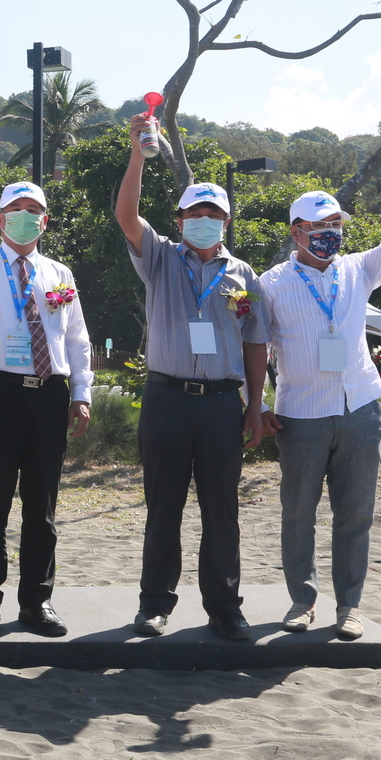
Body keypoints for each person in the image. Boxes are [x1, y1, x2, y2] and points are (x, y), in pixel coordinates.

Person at [257, 157, 381, 642]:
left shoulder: (358, 269)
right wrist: (257, 402)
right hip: (300, 413)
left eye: (337, 225)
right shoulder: (270, 284)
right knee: (298, 512)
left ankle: (349, 606)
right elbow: (255, 348)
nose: (332, 233)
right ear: (297, 230)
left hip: (361, 409)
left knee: (355, 513)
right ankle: (302, 603)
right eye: (321, 226)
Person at [115, 110, 268, 642]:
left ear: (225, 223)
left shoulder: (243, 274)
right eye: (193, 213)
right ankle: (155, 604)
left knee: (222, 509)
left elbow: (255, 341)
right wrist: (139, 151)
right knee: (164, 508)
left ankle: (225, 607)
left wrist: (256, 404)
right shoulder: (159, 257)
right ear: (178, 221)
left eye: (214, 214)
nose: (203, 220)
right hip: (167, 399)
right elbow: (127, 215)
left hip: (223, 402)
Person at [0, 144, 93, 638]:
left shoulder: (59, 275)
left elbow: (76, 338)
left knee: (42, 505)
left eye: (35, 212)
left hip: (48, 395)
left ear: (46, 222)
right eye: (17, 211)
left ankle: (36, 602)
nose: (26, 219)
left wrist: (82, 392)